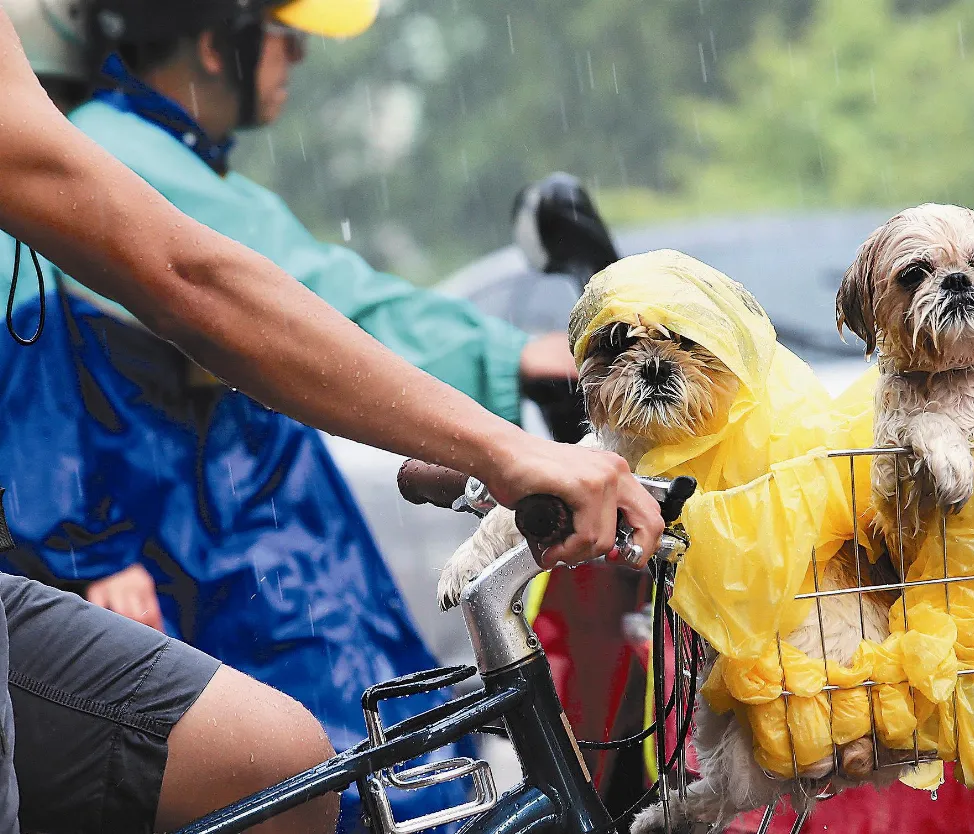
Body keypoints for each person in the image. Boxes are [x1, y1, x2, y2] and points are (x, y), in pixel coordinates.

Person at [0, 7, 663, 834]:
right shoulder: (116, 148)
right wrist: (506, 404)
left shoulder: (178, 158)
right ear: (217, 41)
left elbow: (303, 291)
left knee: (334, 768)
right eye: (285, 34)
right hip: (202, 552)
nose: (300, 56)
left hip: (255, 538)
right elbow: (285, 298)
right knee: (326, 773)